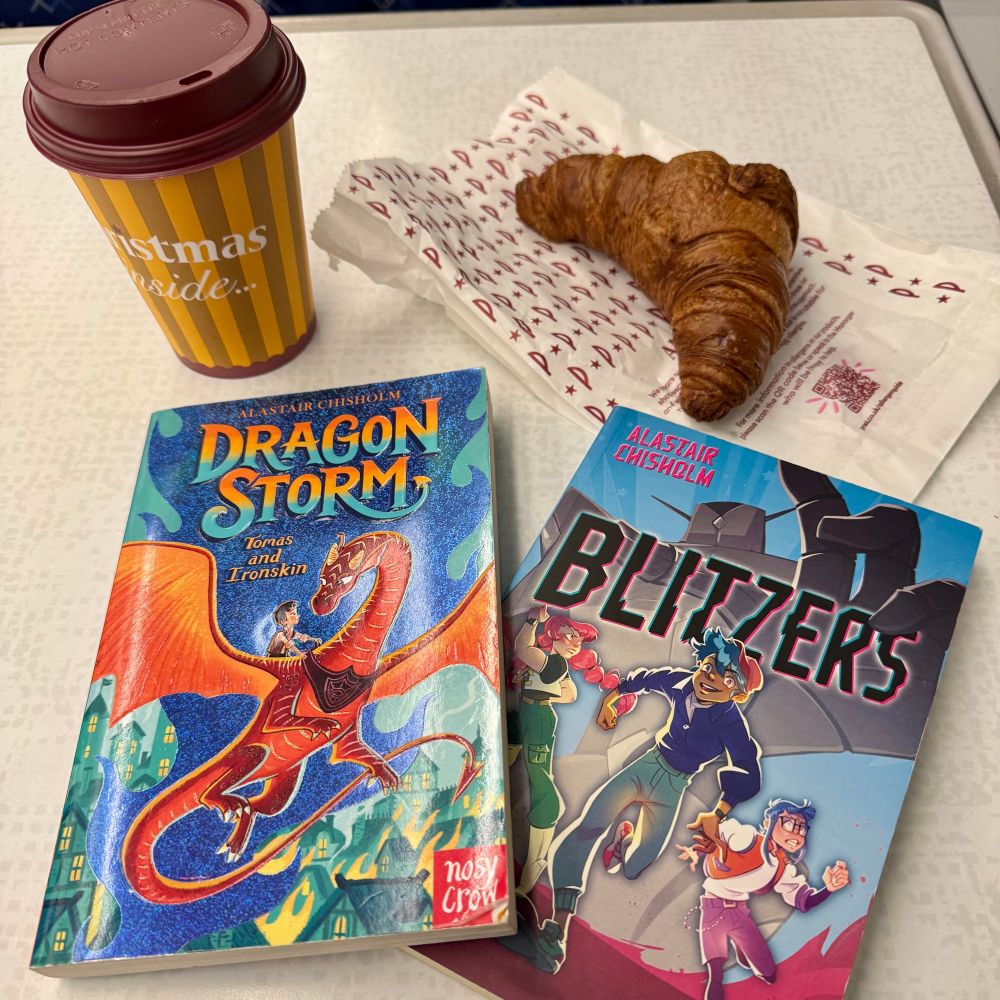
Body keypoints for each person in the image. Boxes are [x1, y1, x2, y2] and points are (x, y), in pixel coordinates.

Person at [507, 626, 763, 973]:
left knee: (635, 866)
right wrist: (612, 700)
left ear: (738, 692)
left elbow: (748, 769)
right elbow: (644, 679)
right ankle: (558, 930)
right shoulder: (681, 682)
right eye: (708, 667)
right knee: (587, 826)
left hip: (673, 787)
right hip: (647, 765)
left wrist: (718, 813)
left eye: (726, 677)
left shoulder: (731, 724)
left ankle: (624, 839)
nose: (710, 678)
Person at [508, 606, 632, 894]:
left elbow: (522, 648)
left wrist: (531, 620)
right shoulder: (550, 664)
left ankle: (536, 855)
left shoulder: (554, 664)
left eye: (578, 638)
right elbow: (570, 693)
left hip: (537, 717)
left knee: (539, 777)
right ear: (554, 638)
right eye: (569, 636)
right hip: (524, 713)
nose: (575, 642)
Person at [678, 797, 850, 999]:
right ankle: (736, 948)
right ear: (769, 822)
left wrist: (828, 889)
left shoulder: (782, 868)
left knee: (770, 975)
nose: (796, 832)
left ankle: (742, 948)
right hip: (712, 908)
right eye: (789, 824)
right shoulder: (747, 839)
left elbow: (804, 901)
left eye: (802, 829)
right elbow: (720, 828)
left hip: (740, 912)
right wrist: (712, 833)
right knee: (715, 972)